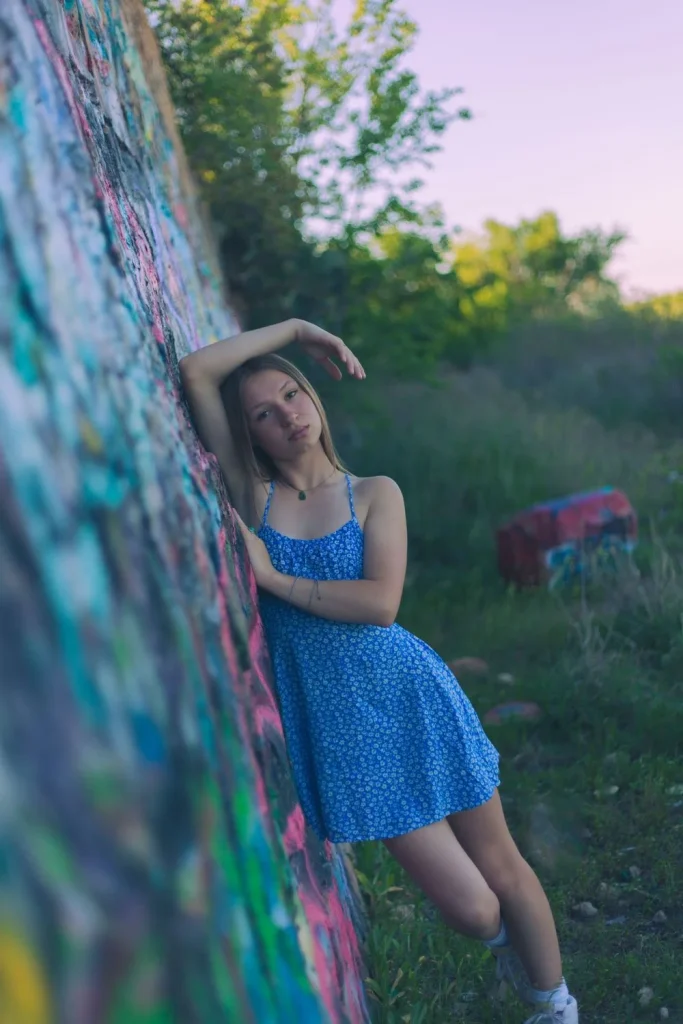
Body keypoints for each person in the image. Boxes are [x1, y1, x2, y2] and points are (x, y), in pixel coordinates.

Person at [179, 318, 579, 1024]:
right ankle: (505, 954)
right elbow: (197, 372)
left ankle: (554, 1005)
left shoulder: (373, 494)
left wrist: (273, 580)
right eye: (264, 415)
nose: (288, 416)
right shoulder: (251, 495)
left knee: (503, 866)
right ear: (251, 436)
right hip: (340, 729)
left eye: (292, 394)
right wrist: (299, 330)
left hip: (409, 692)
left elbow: (378, 605)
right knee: (470, 905)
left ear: (315, 398)